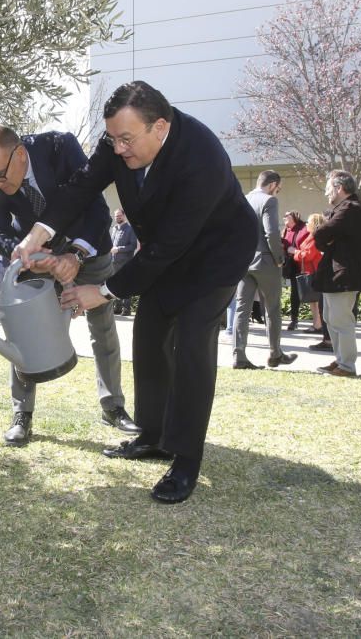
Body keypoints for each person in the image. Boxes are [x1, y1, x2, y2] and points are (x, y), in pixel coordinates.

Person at [13, 81, 258, 504]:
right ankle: (155, 435)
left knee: (192, 343)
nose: (118, 149)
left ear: (159, 127)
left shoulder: (201, 157)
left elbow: (170, 247)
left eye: (126, 139)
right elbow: (81, 186)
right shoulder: (120, 141)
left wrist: (103, 290)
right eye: (113, 138)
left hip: (216, 256)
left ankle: (184, 459)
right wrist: (40, 232)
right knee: (149, 334)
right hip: (166, 253)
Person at [0, 126, 137, 447]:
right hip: (35, 257)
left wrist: (76, 254)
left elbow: (95, 208)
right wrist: (28, 253)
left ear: (20, 154)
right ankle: (22, 414)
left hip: (88, 247)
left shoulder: (60, 147)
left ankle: (113, 406)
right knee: (21, 330)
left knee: (103, 328)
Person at [311, 170, 361, 377]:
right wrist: (326, 238)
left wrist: (326, 237)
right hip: (336, 273)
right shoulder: (346, 208)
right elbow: (324, 234)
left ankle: (347, 366)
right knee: (331, 318)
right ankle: (341, 360)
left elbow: (321, 232)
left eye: (329, 188)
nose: (326, 193)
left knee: (341, 319)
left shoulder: (350, 208)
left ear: (339, 188)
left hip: (345, 274)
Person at [232, 170, 298, 370]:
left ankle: (239, 355)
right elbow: (271, 232)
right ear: (272, 185)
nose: (277, 191)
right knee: (272, 309)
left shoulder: (243, 199)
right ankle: (275, 353)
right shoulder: (269, 201)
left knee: (242, 309)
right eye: (278, 188)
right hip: (266, 261)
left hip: (245, 260)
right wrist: (279, 258)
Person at [290, 213, 326, 338]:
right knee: (313, 300)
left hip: (314, 271)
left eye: (308, 222)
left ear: (314, 224)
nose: (306, 224)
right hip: (310, 270)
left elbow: (308, 255)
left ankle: (318, 324)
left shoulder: (315, 237)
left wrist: (295, 253)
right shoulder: (311, 235)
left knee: (315, 299)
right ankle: (316, 324)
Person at [281, 210, 309, 329]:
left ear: (294, 217)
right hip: (289, 264)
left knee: (302, 293)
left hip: (301, 264)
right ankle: (294, 319)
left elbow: (306, 245)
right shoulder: (286, 230)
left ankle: (317, 322)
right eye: (284, 216)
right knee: (294, 293)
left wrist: (294, 250)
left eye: (287, 215)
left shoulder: (304, 229)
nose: (284, 218)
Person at [109, 208, 137, 316]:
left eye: (119, 216)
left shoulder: (130, 229)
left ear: (124, 216)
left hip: (125, 262)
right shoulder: (114, 229)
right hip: (114, 261)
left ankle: (126, 309)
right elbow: (111, 244)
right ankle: (117, 307)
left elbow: (133, 246)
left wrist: (119, 249)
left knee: (125, 285)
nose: (117, 218)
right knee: (115, 285)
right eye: (116, 216)